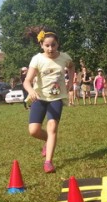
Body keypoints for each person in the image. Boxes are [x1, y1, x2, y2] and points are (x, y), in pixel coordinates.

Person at [23, 26, 74, 173]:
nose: (50, 48)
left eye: (53, 45)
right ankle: (47, 141)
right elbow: (27, 81)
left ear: (58, 44)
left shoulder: (64, 57)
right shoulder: (37, 59)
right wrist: (31, 90)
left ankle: (48, 162)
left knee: (52, 127)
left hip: (57, 98)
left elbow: (71, 67)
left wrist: (71, 81)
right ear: (41, 45)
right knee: (33, 131)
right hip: (39, 98)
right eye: (47, 45)